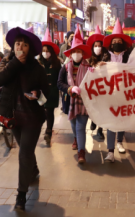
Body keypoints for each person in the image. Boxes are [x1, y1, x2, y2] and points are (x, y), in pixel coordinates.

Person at [0, 26, 50, 211]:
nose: (21, 47)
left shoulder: (38, 68)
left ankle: (21, 195)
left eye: (25, 45)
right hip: (13, 117)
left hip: (33, 118)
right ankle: (33, 170)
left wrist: (38, 93)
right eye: (18, 44)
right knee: (27, 152)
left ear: (30, 49)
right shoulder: (6, 63)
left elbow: (48, 95)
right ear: (13, 46)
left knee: (24, 153)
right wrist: (15, 63)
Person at [100, 18, 134, 162]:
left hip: (124, 93)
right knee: (110, 122)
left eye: (119, 41)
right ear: (111, 43)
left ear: (123, 43)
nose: (117, 43)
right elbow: (99, 73)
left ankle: (119, 142)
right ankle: (110, 151)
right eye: (114, 41)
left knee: (121, 120)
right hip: (110, 94)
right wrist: (99, 66)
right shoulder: (106, 56)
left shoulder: (129, 56)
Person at [57, 25, 92, 163]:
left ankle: (81, 153)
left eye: (79, 51)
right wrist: (69, 89)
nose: (77, 53)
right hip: (69, 100)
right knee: (73, 124)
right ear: (70, 53)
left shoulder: (89, 68)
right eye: (74, 51)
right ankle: (76, 138)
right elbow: (59, 83)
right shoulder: (65, 67)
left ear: (83, 53)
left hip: (84, 102)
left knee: (80, 126)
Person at [38, 28, 62, 145]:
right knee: (41, 112)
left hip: (52, 91)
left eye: (47, 50)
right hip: (40, 92)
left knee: (50, 111)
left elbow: (60, 78)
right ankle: (39, 130)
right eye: (43, 50)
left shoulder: (57, 63)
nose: (45, 52)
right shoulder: (38, 63)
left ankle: (48, 132)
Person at [86, 25, 107, 140]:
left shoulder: (107, 57)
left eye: (99, 46)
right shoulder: (89, 58)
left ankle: (100, 129)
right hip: (93, 89)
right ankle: (94, 120)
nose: (98, 47)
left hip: (104, 89)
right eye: (96, 46)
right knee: (94, 108)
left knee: (103, 110)